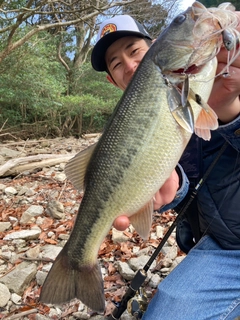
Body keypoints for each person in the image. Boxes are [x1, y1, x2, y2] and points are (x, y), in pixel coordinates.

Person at [91, 8, 240, 320]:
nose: (130, 65)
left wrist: (229, 109)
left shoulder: (226, 73)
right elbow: (185, 189)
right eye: (117, 64)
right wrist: (175, 190)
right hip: (225, 249)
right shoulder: (131, 127)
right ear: (111, 80)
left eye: (135, 52)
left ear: (156, 45)